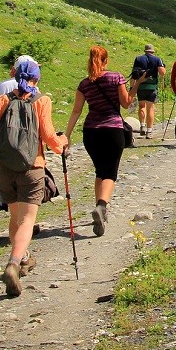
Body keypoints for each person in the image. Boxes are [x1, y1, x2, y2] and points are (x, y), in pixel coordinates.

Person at [0, 57, 68, 297]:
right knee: (28, 220)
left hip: (4, 168)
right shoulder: (42, 101)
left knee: (15, 216)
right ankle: (13, 262)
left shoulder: (2, 100)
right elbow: (50, 138)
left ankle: (23, 258)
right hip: (32, 166)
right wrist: (63, 143)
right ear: (37, 79)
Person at [64, 45, 132, 238]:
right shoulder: (116, 77)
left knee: (100, 170)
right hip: (113, 130)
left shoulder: (84, 84)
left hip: (91, 132)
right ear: (106, 61)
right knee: (110, 172)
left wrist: (67, 136)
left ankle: (100, 209)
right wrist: (136, 84)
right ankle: (102, 206)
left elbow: (76, 110)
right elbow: (126, 104)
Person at [0, 55, 35, 246]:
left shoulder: (0, 87)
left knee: (1, 181)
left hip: (1, 143)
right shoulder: (33, 89)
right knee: (24, 186)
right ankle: (25, 224)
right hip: (25, 146)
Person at [130, 43, 164, 138]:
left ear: (145, 51)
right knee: (150, 108)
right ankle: (149, 131)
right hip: (152, 87)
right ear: (153, 51)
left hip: (140, 86)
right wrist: (162, 66)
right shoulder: (157, 59)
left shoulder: (138, 59)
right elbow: (162, 73)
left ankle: (142, 126)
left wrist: (132, 87)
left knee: (141, 106)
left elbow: (134, 74)